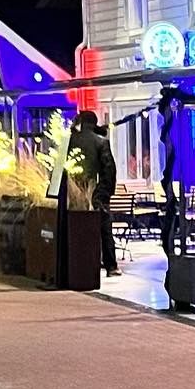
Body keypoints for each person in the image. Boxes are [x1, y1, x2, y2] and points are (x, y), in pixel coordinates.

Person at [71, 109, 119, 276]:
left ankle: (79, 264)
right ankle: (111, 265)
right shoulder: (101, 142)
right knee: (104, 228)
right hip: (95, 192)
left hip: (73, 193)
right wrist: (103, 194)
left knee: (75, 230)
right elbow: (109, 171)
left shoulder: (69, 140)